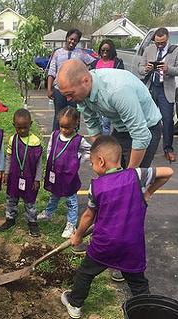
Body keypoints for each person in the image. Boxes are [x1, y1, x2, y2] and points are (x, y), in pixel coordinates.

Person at [60, 136, 173, 319]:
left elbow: (89, 216)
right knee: (138, 284)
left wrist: (78, 236)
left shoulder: (96, 187)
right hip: (132, 245)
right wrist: (148, 192)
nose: (92, 168)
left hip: (105, 244)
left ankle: (74, 304)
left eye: (92, 163)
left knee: (85, 273)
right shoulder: (136, 175)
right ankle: (146, 312)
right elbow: (167, 172)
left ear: (101, 161)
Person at [57, 59, 162, 169]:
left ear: (86, 81)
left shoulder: (117, 91)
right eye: (65, 95)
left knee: (134, 181)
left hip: (147, 127)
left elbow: (141, 135)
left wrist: (130, 175)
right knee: (111, 170)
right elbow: (92, 125)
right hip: (121, 128)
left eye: (70, 94)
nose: (68, 100)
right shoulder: (80, 94)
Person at [38, 107, 90, 238]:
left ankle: (71, 223)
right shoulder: (55, 135)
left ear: (76, 124)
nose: (63, 130)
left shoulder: (78, 140)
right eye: (61, 126)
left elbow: (89, 150)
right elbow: (50, 148)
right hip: (55, 174)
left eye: (67, 127)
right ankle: (48, 212)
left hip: (68, 176)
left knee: (71, 200)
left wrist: (78, 162)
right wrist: (51, 160)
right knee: (54, 195)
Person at [0, 109, 43, 237]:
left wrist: (37, 179)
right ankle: (10, 218)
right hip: (14, 176)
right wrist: (6, 173)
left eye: (25, 127)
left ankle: (32, 222)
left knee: (30, 201)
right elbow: (8, 157)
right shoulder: (13, 139)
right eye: (19, 128)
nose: (22, 130)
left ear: (31, 124)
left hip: (29, 178)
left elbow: (39, 163)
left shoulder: (35, 142)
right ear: (14, 126)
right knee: (11, 198)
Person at [138, 27, 178, 163]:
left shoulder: (175, 50)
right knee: (147, 119)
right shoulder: (149, 49)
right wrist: (146, 69)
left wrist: (168, 69)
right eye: (157, 43)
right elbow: (139, 67)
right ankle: (146, 147)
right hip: (151, 88)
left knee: (167, 121)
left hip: (165, 89)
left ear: (167, 39)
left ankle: (168, 149)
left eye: (162, 43)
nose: (159, 45)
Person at [47, 28, 95, 130]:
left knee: (74, 115)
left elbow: (94, 63)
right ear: (67, 38)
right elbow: (51, 71)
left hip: (75, 92)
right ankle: (55, 139)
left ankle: (74, 141)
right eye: (71, 39)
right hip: (59, 90)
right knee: (59, 115)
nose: (72, 42)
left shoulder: (81, 54)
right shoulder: (57, 53)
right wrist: (49, 89)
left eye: (75, 40)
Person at [89, 39, 124, 135]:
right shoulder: (95, 63)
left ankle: (105, 145)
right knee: (97, 122)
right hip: (97, 97)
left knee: (106, 123)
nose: (104, 52)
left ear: (111, 51)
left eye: (107, 50)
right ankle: (99, 143)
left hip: (110, 98)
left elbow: (121, 79)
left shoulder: (117, 63)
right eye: (102, 50)